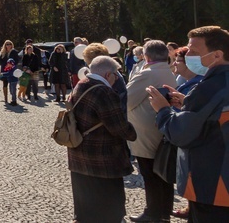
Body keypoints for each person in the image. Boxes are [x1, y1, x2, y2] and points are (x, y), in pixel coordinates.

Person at [147, 26, 229, 222]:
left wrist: (163, 110)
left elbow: (180, 133)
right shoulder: (217, 85)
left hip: (212, 182)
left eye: (193, 51)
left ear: (217, 54)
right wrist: (187, 103)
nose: (186, 54)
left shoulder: (208, 88)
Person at [67, 56, 137, 223]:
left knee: (85, 204)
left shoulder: (81, 83)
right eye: (116, 74)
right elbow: (118, 127)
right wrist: (133, 133)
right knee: (108, 206)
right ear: (108, 75)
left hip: (79, 153)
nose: (117, 78)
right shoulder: (104, 91)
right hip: (102, 157)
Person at [125, 40, 177, 222]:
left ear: (146, 56)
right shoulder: (169, 71)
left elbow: (126, 100)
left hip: (146, 132)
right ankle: (164, 212)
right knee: (164, 174)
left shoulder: (146, 73)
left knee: (150, 174)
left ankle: (152, 212)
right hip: (162, 129)